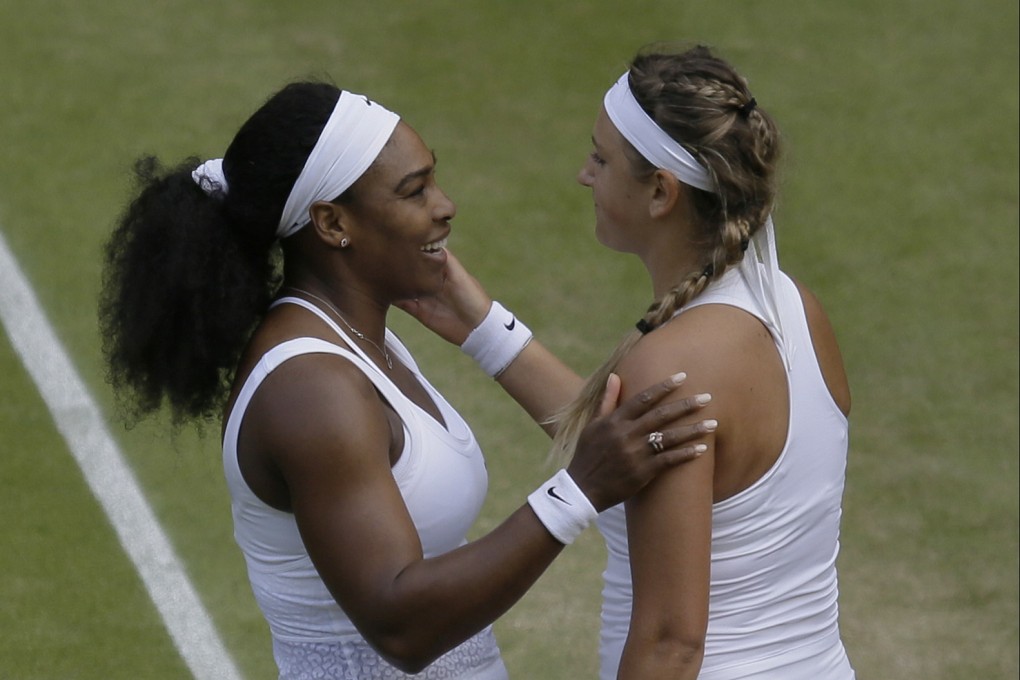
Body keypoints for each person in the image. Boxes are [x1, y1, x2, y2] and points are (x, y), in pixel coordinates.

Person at [98, 81, 717, 679]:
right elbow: (402, 625)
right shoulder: (312, 388)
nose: (444, 206)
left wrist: (487, 330)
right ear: (333, 224)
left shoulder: (364, 341)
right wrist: (577, 492)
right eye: (414, 191)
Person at [406, 44, 855, 679]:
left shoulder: (670, 367)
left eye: (601, 158)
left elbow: (672, 644)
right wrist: (485, 330)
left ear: (660, 193)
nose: (584, 175)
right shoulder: (798, 311)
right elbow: (623, 453)